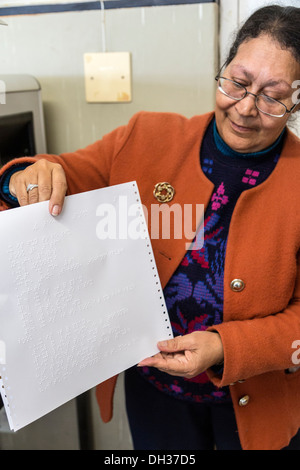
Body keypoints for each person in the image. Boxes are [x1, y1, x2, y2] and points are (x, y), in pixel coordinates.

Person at [0, 4, 300, 450]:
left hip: (258, 405)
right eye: (237, 82)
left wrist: (224, 347)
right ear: (222, 72)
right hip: (155, 395)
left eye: (273, 96)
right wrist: (24, 178)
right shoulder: (146, 138)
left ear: (296, 102)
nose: (246, 107)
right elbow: (63, 173)